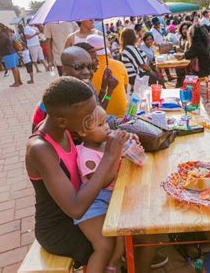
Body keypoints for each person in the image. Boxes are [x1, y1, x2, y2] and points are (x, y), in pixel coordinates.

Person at [25, 76, 131, 271]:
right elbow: (75, 209)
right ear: (62, 120)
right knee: (109, 243)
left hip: (85, 209)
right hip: (59, 228)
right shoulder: (40, 149)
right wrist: (108, 156)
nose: (93, 118)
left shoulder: (65, 129)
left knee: (127, 223)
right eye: (88, 116)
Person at [74, 105, 129, 272]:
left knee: (121, 235)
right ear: (83, 133)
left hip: (110, 198)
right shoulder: (86, 156)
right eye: (99, 125)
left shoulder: (105, 144)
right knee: (104, 245)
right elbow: (104, 182)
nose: (106, 127)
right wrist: (116, 152)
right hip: (92, 205)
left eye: (106, 122)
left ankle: (112, 265)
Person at [87, 35, 129, 118]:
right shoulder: (84, 80)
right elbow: (100, 110)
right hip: (102, 119)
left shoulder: (89, 76)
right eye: (94, 57)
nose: (98, 60)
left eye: (97, 56)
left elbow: (99, 103)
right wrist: (109, 91)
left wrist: (104, 88)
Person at [0, 22, 22, 87]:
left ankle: (16, 82)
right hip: (12, 52)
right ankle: (19, 81)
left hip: (8, 53)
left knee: (13, 68)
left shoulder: (2, 35)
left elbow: (1, 45)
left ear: (0, 28)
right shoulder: (6, 33)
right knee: (15, 67)